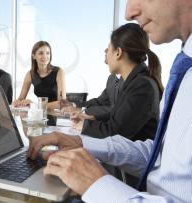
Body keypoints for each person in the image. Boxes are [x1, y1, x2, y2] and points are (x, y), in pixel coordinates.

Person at [28, 0, 192, 202]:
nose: (129, 12)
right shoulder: (184, 74)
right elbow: (160, 157)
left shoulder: (143, 85)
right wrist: (80, 142)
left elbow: (116, 128)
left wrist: (95, 183)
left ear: (118, 52)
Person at [73, 23, 163, 141]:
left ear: (118, 52)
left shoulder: (142, 86)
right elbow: (120, 118)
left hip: (132, 158)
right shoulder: (134, 81)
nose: (105, 51)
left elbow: (116, 133)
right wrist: (91, 118)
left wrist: (85, 125)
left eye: (109, 47)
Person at [13, 41, 66, 109]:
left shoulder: (59, 72)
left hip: (55, 115)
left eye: (47, 53)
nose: (45, 56)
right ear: (34, 56)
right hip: (40, 114)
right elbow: (21, 99)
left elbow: (62, 103)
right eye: (41, 53)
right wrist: (18, 102)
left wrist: (35, 105)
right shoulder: (30, 74)